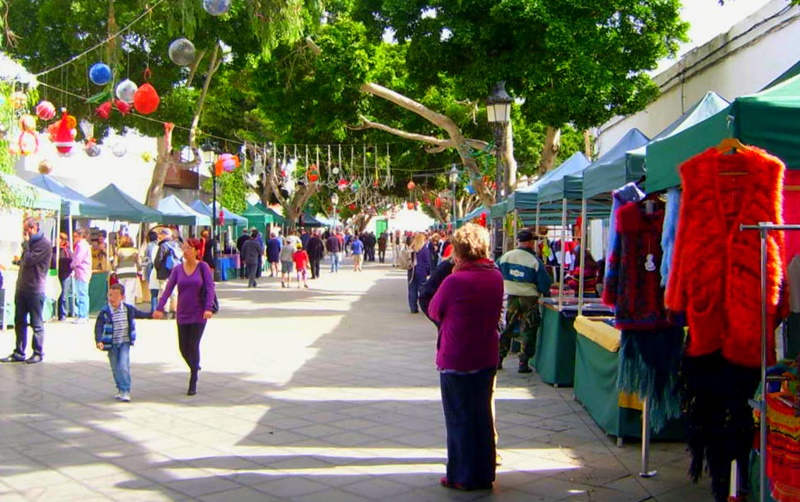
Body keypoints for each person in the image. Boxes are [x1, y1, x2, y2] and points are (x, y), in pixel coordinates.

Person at [427, 223, 504, 491]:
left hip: (457, 357)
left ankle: (461, 475)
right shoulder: (495, 276)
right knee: (482, 416)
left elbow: (435, 310)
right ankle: (485, 473)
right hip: (486, 355)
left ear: (458, 253)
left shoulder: (455, 280)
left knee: (459, 419)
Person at [153, 238, 215, 396]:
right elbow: (168, 289)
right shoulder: (178, 269)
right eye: (184, 248)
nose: (185, 251)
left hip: (199, 312)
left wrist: (208, 308)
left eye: (188, 248)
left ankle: (193, 379)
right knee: (183, 347)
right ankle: (194, 365)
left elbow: (210, 288)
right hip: (182, 312)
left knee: (193, 344)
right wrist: (160, 308)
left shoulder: (203, 267)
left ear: (196, 250)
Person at [496, 229, 552, 373]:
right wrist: (546, 293)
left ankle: (499, 358)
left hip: (509, 297)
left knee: (507, 327)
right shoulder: (534, 261)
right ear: (529, 243)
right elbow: (544, 283)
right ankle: (523, 362)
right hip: (529, 298)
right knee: (528, 329)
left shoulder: (506, 257)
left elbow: (495, 274)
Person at [1, 217, 52, 364]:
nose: (24, 233)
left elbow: (29, 260)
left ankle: (37, 352)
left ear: (33, 228)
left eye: (26, 230)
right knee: (19, 321)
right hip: (22, 287)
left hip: (35, 289)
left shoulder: (44, 244)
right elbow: (23, 261)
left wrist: (26, 244)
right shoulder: (30, 244)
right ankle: (19, 351)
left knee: (36, 323)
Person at [94, 283, 152, 402]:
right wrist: (99, 340)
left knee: (123, 366)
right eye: (110, 295)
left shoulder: (128, 309)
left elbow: (140, 314)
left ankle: (125, 390)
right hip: (111, 344)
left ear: (122, 297)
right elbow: (98, 326)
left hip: (124, 342)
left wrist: (152, 314)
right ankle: (120, 388)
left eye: (115, 296)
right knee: (115, 368)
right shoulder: (105, 311)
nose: (112, 299)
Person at [155, 228, 182, 318]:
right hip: (175, 272)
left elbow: (158, 260)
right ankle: (175, 311)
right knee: (174, 292)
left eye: (161, 234)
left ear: (165, 235)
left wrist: (158, 269)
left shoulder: (163, 246)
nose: (160, 236)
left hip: (164, 273)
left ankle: (165, 311)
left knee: (164, 291)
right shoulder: (176, 245)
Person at [71, 228, 93, 324]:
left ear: (81, 236)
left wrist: (72, 265)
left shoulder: (81, 245)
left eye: (75, 236)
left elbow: (78, 258)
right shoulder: (84, 245)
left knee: (82, 294)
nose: (74, 238)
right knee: (82, 294)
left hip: (82, 272)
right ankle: (82, 314)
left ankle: (83, 315)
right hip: (82, 272)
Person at [407, 233, 431, 314]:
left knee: (412, 289)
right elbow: (427, 262)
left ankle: (413, 307)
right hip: (421, 271)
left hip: (411, 271)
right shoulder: (424, 249)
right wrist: (428, 272)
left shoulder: (411, 248)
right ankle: (424, 307)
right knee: (422, 290)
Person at [114, 235, 141, 306]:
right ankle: (130, 308)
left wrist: (114, 270)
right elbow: (139, 263)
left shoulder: (118, 251)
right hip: (132, 271)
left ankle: (122, 307)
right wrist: (140, 269)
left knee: (122, 291)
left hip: (121, 272)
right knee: (130, 292)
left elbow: (115, 263)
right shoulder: (135, 251)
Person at [141, 230, 160, 312]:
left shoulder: (149, 245)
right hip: (159, 269)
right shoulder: (159, 245)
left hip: (151, 268)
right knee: (158, 289)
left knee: (153, 290)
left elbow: (146, 257)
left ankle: (153, 308)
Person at [56, 232, 73, 321]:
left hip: (65, 275)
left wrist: (67, 273)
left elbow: (71, 264)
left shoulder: (67, 252)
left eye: (59, 238)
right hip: (55, 275)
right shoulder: (54, 250)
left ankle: (62, 314)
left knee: (63, 296)